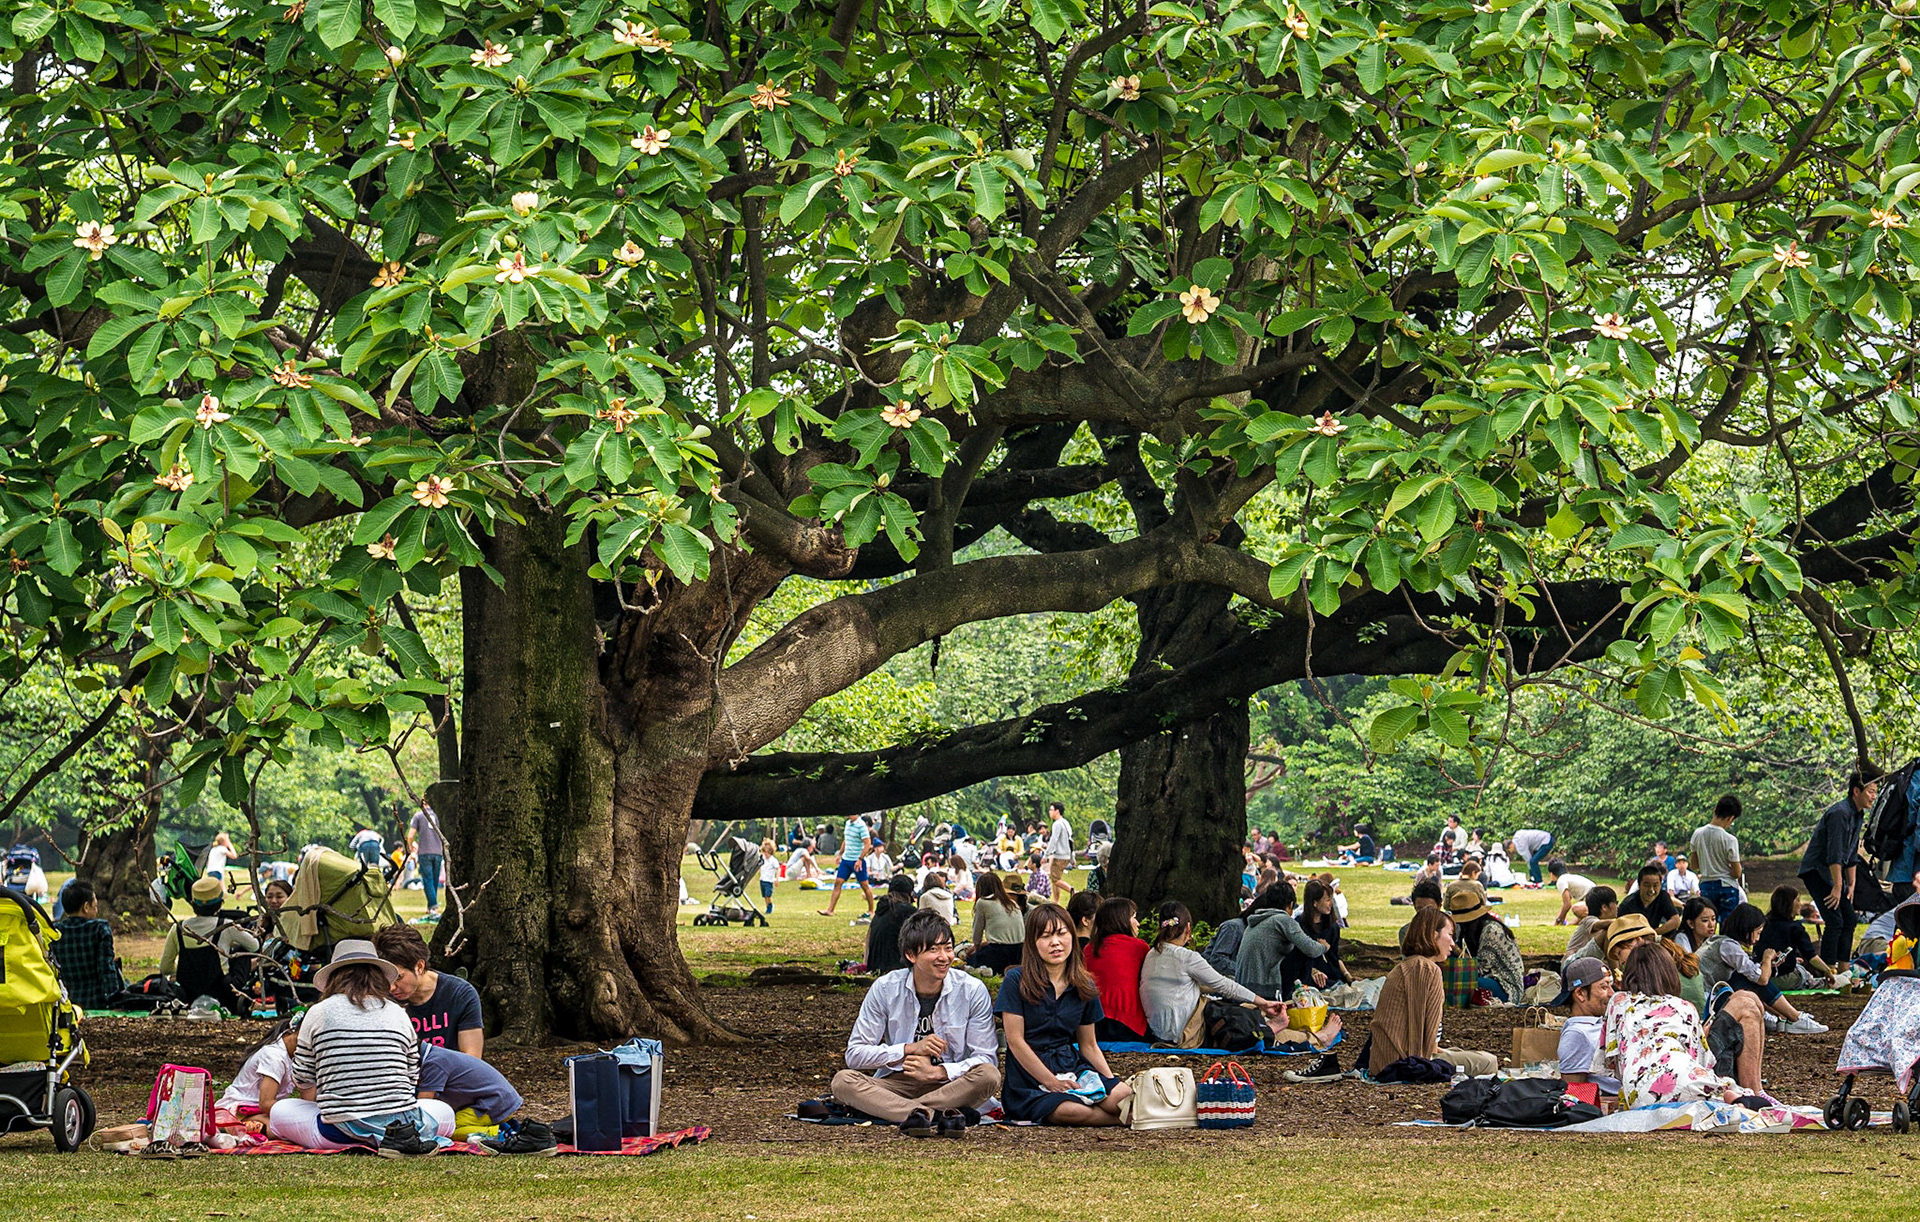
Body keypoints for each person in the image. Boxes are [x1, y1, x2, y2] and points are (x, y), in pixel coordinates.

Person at [832, 909, 1001, 1133]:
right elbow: (855, 1054)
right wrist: (908, 1049)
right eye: (933, 949)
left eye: (948, 948)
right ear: (911, 955)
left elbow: (986, 1057)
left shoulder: (971, 990)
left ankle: (913, 1113)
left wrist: (938, 1072)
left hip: (950, 1085)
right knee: (843, 1082)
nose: (944, 957)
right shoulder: (885, 988)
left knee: (989, 1075)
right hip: (897, 1084)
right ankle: (939, 1114)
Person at [277, 939, 450, 1155]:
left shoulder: (318, 1012)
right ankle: (392, 1138)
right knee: (445, 1113)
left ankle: (365, 1137)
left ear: (334, 977)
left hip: (340, 1131)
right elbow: (412, 1073)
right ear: (379, 976)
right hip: (403, 1124)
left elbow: (303, 1077)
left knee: (279, 1111)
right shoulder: (398, 1012)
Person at [995, 903, 1131, 1125]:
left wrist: (1110, 1080)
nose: (1055, 943)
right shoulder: (1015, 981)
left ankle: (1123, 1114)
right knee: (1070, 1111)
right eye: (1045, 936)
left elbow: (1089, 1045)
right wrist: (1050, 1082)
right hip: (1028, 1076)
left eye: (1061, 933)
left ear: (1072, 935)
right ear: (1033, 943)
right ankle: (1120, 1120)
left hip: (1071, 1066)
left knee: (1123, 1098)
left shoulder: (1084, 984)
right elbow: (1015, 1041)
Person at [1601, 941, 1744, 1109]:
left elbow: (1610, 1059)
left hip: (1638, 1094)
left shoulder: (1618, 1003)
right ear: (1669, 973)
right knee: (1725, 1089)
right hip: (1683, 1078)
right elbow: (1700, 1060)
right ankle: (1737, 1100)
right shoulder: (1685, 1008)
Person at [1360, 907, 1497, 1077]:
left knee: (1468, 1055)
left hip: (1389, 1059)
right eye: (1449, 934)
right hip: (1402, 1062)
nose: (1453, 943)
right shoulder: (1426, 969)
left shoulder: (1410, 966)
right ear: (1434, 935)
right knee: (1489, 1061)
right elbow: (1426, 1032)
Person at [1140, 901, 1289, 1048]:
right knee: (1235, 1015)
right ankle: (1271, 1028)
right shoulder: (1187, 957)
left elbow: (1179, 986)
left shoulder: (1151, 954)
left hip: (1159, 1034)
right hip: (1186, 1035)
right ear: (1188, 928)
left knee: (1233, 1006)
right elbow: (1224, 985)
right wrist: (1263, 1002)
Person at [1697, 902, 1828, 1033]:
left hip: (1709, 1000)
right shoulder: (1728, 946)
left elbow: (1754, 972)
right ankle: (1794, 1017)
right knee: (1748, 978)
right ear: (1747, 929)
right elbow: (1762, 979)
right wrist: (1766, 959)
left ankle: (1783, 1017)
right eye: (1758, 933)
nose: (1758, 938)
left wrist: (1767, 965)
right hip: (1708, 1006)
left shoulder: (1719, 941)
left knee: (1747, 975)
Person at [1838, 905, 1920, 1094]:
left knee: (1903, 1033)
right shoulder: (1909, 943)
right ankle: (1844, 1093)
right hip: (1905, 984)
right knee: (1860, 1031)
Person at [1800, 768, 1877, 969]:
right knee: (1834, 920)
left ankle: (1844, 968)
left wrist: (1850, 885)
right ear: (1856, 791)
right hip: (1817, 871)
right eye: (1870, 791)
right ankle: (1829, 971)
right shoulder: (1840, 813)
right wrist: (1837, 885)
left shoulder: (1858, 815)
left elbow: (1851, 854)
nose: (1873, 796)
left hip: (1833, 873)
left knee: (1849, 919)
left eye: (1875, 792)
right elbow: (1834, 854)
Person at [417, 1043, 554, 1152]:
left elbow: (425, 1105)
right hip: (497, 1102)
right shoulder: (437, 1055)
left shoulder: (434, 1062)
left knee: (450, 1128)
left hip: (494, 1103)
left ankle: (499, 1134)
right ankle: (502, 1126)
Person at [374, 924, 484, 1055]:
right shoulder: (379, 999)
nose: (391, 987)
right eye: (385, 979)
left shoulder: (460, 994)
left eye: (398, 977)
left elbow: (472, 1059)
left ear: (419, 967)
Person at [160, 875, 260, 1011]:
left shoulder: (178, 928)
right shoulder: (225, 926)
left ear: (193, 904)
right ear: (220, 903)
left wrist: (180, 974)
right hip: (222, 992)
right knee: (242, 950)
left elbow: (165, 967)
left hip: (188, 993)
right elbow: (254, 946)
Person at [1235, 879, 1328, 999]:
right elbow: (1310, 949)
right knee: (1301, 951)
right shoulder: (1282, 920)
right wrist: (1323, 946)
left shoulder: (1256, 921)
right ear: (1290, 905)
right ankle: (1300, 996)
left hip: (1243, 985)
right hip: (1264, 987)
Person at [48, 879, 125, 1009]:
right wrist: (114, 999)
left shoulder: (55, 931)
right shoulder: (99, 928)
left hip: (65, 1000)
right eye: (95, 902)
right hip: (96, 1000)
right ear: (86, 907)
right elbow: (106, 968)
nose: (97, 907)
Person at [1082, 898, 1151, 1043]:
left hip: (1094, 1021)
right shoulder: (1139, 947)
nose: (1137, 923)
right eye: (1134, 917)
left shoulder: (1089, 949)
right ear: (1121, 920)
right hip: (1129, 1022)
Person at [217, 1013, 301, 1131]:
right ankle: (235, 1125)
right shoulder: (275, 1057)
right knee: (281, 1129)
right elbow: (266, 1104)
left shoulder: (296, 1055)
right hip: (242, 1108)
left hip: (262, 1109)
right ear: (296, 1034)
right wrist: (300, 1112)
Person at [1553, 958, 1620, 1100]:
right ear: (1580, 994)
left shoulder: (1603, 1021)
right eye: (1604, 987)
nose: (1611, 993)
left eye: (1610, 986)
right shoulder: (1577, 1033)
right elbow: (1573, 1096)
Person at [1444, 889, 1524, 1002]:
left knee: (1459, 981)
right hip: (1487, 977)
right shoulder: (1473, 930)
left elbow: (1481, 969)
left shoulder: (1491, 930)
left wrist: (1453, 954)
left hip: (1505, 985)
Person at [1757, 884, 1843, 989]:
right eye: (1797, 900)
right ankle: (1828, 984)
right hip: (1782, 978)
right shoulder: (1794, 928)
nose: (1800, 904)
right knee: (1801, 971)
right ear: (1788, 903)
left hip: (1760, 976)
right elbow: (1812, 957)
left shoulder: (1763, 924)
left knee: (1797, 965)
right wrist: (1827, 970)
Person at [1690, 794, 1745, 922]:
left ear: (1715, 810)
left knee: (1706, 925)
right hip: (1727, 887)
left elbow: (1694, 865)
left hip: (1706, 885)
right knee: (1727, 925)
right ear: (1731, 818)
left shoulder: (1697, 834)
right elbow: (1737, 873)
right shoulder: (1730, 839)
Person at [1295, 879, 1352, 987]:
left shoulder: (1332, 927)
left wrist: (1347, 975)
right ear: (1314, 902)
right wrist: (1312, 971)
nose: (1331, 903)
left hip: (1332, 977)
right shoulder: (1298, 926)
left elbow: (1334, 957)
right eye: (1327, 900)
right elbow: (1296, 959)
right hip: (1309, 979)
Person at [819, 811, 876, 920]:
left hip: (857, 860)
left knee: (864, 885)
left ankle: (871, 910)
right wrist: (840, 853)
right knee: (838, 882)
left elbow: (868, 844)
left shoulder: (861, 826)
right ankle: (830, 910)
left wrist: (860, 859)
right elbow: (847, 839)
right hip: (846, 859)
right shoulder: (848, 823)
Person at [865, 875, 919, 975]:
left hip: (874, 966)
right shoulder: (906, 911)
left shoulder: (881, 910)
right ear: (909, 894)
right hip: (896, 967)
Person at [407, 802, 446, 917]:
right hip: (438, 852)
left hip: (425, 851)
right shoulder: (437, 815)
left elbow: (410, 835)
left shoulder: (418, 815)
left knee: (428, 880)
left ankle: (434, 906)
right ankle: (431, 906)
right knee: (434, 880)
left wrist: (410, 846)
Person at [1618, 863, 1681, 936]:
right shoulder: (1627, 905)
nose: (1651, 890)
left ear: (1660, 885)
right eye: (1647, 885)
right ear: (1639, 885)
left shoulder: (1663, 896)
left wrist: (1654, 933)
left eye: (1655, 885)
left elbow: (1676, 921)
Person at [1564, 886, 1617, 965]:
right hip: (1571, 962)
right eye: (1616, 903)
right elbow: (1598, 925)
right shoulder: (1589, 920)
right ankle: (1617, 975)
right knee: (1608, 932)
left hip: (1585, 963)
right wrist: (1622, 922)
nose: (1617, 907)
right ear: (1604, 907)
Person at [1043, 802, 1075, 900]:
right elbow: (1071, 841)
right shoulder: (1065, 822)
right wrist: (1072, 857)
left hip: (1060, 856)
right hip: (1066, 855)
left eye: (1051, 810)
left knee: (1055, 880)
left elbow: (1053, 840)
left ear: (1057, 811)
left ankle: (1073, 891)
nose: (1049, 812)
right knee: (1056, 879)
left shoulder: (1057, 824)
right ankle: (1056, 901)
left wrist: (1046, 855)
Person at [1549, 860, 1594, 925]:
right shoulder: (1568, 877)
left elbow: (1567, 905)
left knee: (1576, 909)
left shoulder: (1561, 881)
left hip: (1593, 900)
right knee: (1574, 921)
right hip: (1593, 898)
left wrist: (1558, 921)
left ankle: (1595, 919)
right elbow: (1566, 904)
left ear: (1551, 874)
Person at [757, 837, 779, 913]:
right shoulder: (763, 858)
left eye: (766, 852)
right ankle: (767, 906)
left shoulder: (773, 860)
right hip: (762, 879)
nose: (765, 854)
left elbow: (778, 868)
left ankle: (770, 906)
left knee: (768, 895)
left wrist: (777, 879)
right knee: (764, 896)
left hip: (769, 880)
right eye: (764, 852)